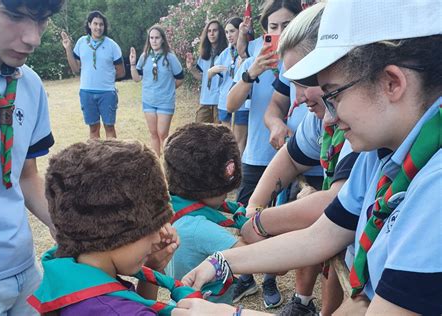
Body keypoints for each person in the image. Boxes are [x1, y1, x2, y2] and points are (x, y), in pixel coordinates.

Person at [179, 0, 442, 314]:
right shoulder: (381, 153)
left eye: (333, 93)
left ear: (392, 83)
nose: (328, 118)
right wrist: (222, 260)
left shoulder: (435, 186)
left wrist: (232, 313)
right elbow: (321, 236)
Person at [242, 3, 359, 315]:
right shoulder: (323, 117)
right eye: (292, 84)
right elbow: (290, 159)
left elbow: (336, 205)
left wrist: (261, 223)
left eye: (306, 81)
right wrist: (255, 205)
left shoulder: (359, 129)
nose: (297, 98)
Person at [0, 0, 64, 314]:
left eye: (43, 19)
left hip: (25, 269)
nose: (33, 38)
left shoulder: (29, 83)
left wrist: (65, 226)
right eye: (14, 15)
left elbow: (24, 175)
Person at [27, 139, 181, 315]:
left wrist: (152, 269)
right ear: (115, 234)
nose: (157, 238)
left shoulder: (72, 273)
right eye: (150, 229)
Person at [226, 0, 302, 308]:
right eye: (274, 27)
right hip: (256, 156)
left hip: (295, 158)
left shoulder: (304, 57)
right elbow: (230, 105)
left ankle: (270, 279)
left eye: (287, 25)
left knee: (280, 223)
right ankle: (245, 278)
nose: (281, 32)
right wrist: (252, 71)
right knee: (247, 217)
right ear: (264, 29)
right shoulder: (251, 60)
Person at [163, 123, 246, 304]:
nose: (226, 196)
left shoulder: (171, 210)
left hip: (180, 303)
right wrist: (253, 225)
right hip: (207, 309)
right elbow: (252, 255)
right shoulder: (200, 228)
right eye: (223, 190)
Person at [61, 10, 125, 139]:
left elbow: (121, 72)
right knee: (93, 128)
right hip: (86, 92)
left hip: (107, 93)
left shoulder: (112, 45)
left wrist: (105, 79)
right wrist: (68, 49)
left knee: (109, 127)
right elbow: (75, 69)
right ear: (89, 25)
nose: (98, 27)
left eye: (101, 24)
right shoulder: (81, 43)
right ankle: (95, 159)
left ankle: (112, 158)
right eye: (95, 24)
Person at [130, 25, 184, 156]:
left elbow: (180, 78)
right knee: (153, 133)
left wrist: (168, 89)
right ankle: (156, 165)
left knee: (162, 134)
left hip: (165, 101)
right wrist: (132, 64)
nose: (154, 41)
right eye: (151, 38)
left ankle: (166, 164)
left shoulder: (170, 57)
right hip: (149, 101)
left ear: (163, 40)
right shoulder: (144, 57)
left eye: (157, 38)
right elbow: (137, 78)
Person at [208, 17, 249, 155]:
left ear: (240, 31)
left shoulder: (247, 52)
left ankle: (239, 173)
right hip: (223, 102)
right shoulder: (226, 53)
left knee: (239, 141)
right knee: (227, 140)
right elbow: (211, 75)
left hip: (241, 104)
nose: (229, 35)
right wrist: (211, 71)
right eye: (226, 32)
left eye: (232, 31)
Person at [186, 19, 227, 123]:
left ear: (220, 33)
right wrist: (192, 69)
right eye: (209, 31)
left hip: (220, 101)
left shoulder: (226, 54)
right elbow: (202, 77)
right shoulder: (204, 56)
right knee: (199, 133)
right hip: (205, 101)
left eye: (215, 30)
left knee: (218, 135)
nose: (212, 34)